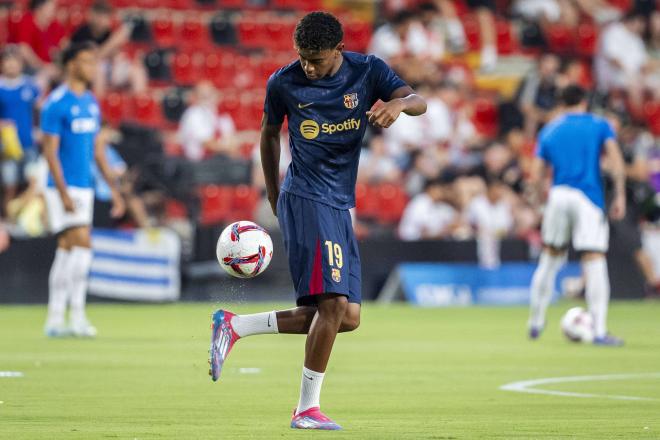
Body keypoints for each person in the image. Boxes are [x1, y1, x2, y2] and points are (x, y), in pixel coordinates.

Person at [208, 12, 426, 430]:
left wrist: (397, 104)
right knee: (333, 305)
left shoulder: (367, 70)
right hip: (307, 196)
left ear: (340, 50)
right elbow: (269, 134)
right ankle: (306, 409)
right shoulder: (284, 81)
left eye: (318, 60)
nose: (309, 66)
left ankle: (235, 325)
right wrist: (274, 192)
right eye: (303, 58)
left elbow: (420, 101)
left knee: (347, 318)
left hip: (339, 201)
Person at [527, 85, 626, 346]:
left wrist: (538, 201)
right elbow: (615, 160)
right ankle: (600, 330)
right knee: (594, 259)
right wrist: (619, 195)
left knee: (549, 259)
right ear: (584, 101)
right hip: (588, 197)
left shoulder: (550, 129)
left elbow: (536, 172)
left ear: (561, 102)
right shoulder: (599, 125)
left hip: (559, 196)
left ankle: (536, 321)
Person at [41, 42, 125, 338]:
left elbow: (97, 151)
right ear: (71, 64)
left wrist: (114, 190)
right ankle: (76, 315)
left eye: (94, 61)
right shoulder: (56, 102)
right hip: (62, 187)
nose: (92, 67)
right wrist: (62, 192)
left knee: (66, 251)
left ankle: (54, 318)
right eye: (86, 61)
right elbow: (50, 152)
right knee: (83, 247)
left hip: (85, 187)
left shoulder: (91, 102)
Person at [69, 0, 146, 96]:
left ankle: (139, 105)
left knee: (137, 72)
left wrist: (116, 56)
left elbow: (117, 55)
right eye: (99, 15)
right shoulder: (81, 34)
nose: (102, 20)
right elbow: (91, 59)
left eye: (105, 17)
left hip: (110, 70)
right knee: (98, 69)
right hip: (88, 73)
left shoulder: (108, 33)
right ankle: (99, 107)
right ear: (92, 15)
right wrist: (113, 43)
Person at [0, 45, 41, 213]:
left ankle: (22, 218)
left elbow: (39, 110)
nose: (11, 65)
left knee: (32, 182)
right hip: (7, 146)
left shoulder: (30, 86)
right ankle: (6, 218)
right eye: (7, 61)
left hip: (28, 143)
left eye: (14, 61)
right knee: (10, 184)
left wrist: (39, 130)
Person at [178, 80, 237, 162]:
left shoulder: (224, 117)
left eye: (210, 94)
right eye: (203, 96)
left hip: (220, 162)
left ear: (217, 95)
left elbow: (233, 144)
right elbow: (207, 144)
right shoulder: (193, 114)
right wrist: (225, 147)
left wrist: (229, 147)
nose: (208, 99)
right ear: (195, 97)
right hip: (197, 164)